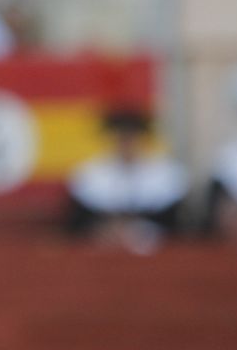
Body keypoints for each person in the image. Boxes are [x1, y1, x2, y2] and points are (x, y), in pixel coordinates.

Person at [65, 108, 189, 253]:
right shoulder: (89, 174)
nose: (126, 143)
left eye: (131, 137)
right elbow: (78, 223)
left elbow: (174, 224)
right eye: (121, 137)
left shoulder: (166, 174)